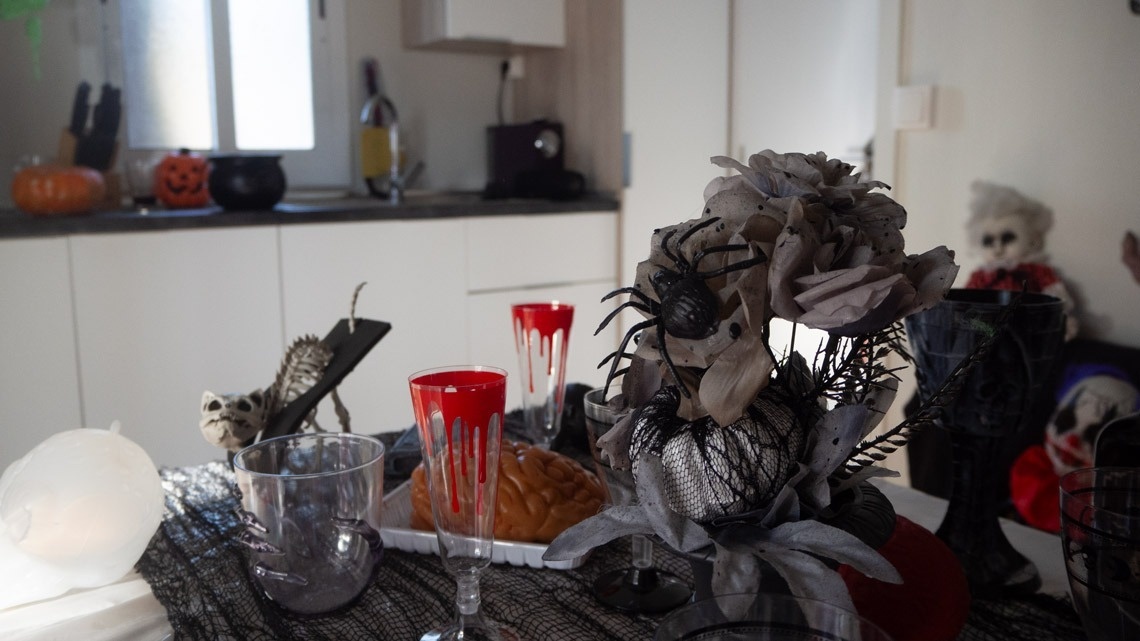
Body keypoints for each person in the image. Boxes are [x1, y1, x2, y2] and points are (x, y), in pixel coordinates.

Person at [964, 180, 1078, 339]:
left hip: (1029, 332)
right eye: (988, 241)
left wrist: (1060, 320)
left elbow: (1058, 299)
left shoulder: (1037, 272)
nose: (998, 249)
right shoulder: (980, 277)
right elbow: (965, 306)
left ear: (1032, 240)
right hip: (989, 335)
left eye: (1007, 238)